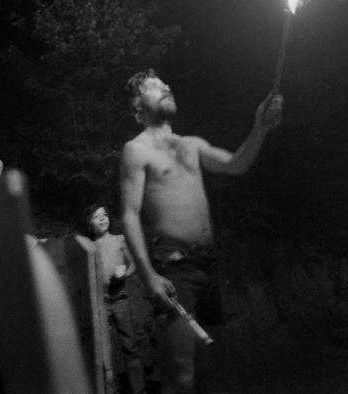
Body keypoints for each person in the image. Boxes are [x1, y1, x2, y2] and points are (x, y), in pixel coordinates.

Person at [119, 69, 283, 393]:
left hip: (209, 264)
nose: (166, 87)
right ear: (138, 109)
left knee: (209, 367)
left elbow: (236, 164)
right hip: (175, 266)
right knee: (180, 373)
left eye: (166, 83)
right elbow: (128, 215)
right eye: (155, 87)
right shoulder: (135, 150)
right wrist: (148, 274)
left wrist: (260, 127)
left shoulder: (191, 144)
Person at [77, 204, 147, 394]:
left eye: (104, 215)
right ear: (88, 224)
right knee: (103, 352)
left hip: (120, 299)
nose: (102, 218)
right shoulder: (87, 247)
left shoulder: (120, 240)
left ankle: (139, 390)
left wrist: (124, 272)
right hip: (99, 303)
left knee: (130, 347)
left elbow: (133, 265)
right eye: (96, 216)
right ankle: (109, 390)